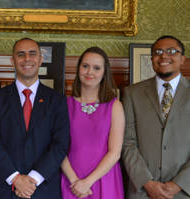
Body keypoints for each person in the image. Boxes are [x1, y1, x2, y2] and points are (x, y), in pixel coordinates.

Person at [0, 38, 70, 199]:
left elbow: (60, 144)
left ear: (40, 59)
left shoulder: (57, 100)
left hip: (43, 189)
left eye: (32, 54)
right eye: (21, 54)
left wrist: (33, 179)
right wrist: (16, 179)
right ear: (12, 61)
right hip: (4, 189)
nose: (27, 59)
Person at [122, 35, 190, 198]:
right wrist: (147, 182)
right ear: (152, 59)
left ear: (182, 59)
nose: (164, 56)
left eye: (172, 51)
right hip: (143, 191)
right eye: (158, 52)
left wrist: (178, 184)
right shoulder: (132, 93)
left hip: (183, 192)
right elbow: (127, 142)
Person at [61, 47, 125, 199]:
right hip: (70, 180)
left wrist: (88, 182)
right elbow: (57, 147)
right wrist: (75, 182)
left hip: (104, 179)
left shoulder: (114, 106)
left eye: (96, 68)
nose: (90, 72)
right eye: (85, 66)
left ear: (104, 73)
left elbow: (115, 153)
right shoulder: (63, 104)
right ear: (78, 70)